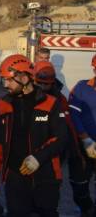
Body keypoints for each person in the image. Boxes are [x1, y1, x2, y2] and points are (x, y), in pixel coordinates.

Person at [0, 54, 66, 217]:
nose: (5, 84)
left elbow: (61, 138)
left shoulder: (51, 103)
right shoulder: (2, 105)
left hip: (46, 176)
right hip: (15, 177)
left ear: (24, 78)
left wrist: (38, 158)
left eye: (9, 80)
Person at [35, 60, 93, 215]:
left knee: (51, 190)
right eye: (39, 83)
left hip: (59, 152)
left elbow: (68, 126)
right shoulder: (81, 88)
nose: (42, 87)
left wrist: (77, 152)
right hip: (36, 152)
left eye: (45, 84)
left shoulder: (59, 101)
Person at [67, 53, 96, 216]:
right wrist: (85, 139)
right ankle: (86, 208)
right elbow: (73, 114)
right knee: (79, 185)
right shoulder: (82, 88)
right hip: (83, 147)